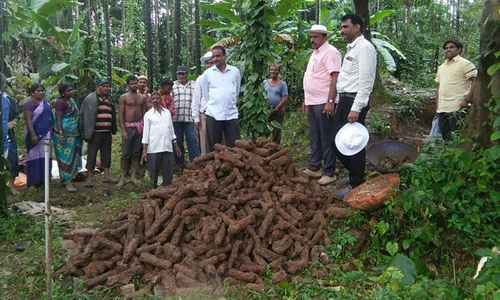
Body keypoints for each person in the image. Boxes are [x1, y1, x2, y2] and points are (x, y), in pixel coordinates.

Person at [333, 13, 377, 198]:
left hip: (354, 101)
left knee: (355, 143)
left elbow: (366, 81)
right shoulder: (352, 48)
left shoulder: (365, 48)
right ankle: (355, 175)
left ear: (357, 27)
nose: (342, 30)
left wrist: (356, 108)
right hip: (344, 100)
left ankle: (356, 183)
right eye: (342, 27)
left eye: (345, 27)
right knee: (337, 141)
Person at [302, 24, 341, 186]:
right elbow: (313, 77)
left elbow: (335, 78)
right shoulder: (315, 53)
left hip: (324, 102)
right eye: (311, 37)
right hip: (313, 102)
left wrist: (330, 101)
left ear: (324, 37)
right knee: (315, 136)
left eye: (316, 36)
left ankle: (329, 171)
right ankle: (314, 166)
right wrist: (306, 99)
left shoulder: (331, 52)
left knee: (326, 137)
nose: (312, 40)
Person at [201, 45, 241, 152]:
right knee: (213, 148)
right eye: (213, 57)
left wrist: (228, 101)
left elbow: (236, 91)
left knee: (234, 146)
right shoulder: (207, 74)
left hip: (231, 114)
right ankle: (213, 168)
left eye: (218, 56)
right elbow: (206, 94)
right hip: (213, 114)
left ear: (224, 56)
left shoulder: (235, 72)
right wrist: (215, 104)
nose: (215, 59)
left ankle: (233, 167)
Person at [435, 39, 477, 141]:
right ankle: (447, 156)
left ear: (459, 50)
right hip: (443, 108)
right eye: (446, 48)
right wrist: (437, 106)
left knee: (457, 136)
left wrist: (467, 99)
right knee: (446, 137)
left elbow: (475, 81)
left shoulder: (465, 64)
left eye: (451, 47)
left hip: (457, 107)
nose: (448, 50)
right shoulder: (441, 67)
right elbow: (439, 87)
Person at [80, 79, 118, 187]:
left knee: (106, 154)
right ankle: (89, 178)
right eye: (104, 86)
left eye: (107, 86)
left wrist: (113, 128)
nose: (106, 88)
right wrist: (85, 132)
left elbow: (113, 115)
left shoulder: (109, 99)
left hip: (106, 132)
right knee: (92, 155)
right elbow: (84, 116)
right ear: (98, 87)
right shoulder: (90, 99)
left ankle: (106, 177)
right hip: (95, 132)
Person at [141, 92, 181, 188]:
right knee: (153, 174)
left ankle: (167, 191)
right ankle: (153, 192)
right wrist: (144, 150)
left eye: (157, 98)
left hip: (167, 147)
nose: (155, 100)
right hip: (153, 148)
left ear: (160, 99)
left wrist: (175, 145)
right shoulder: (148, 115)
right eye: (153, 98)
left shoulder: (167, 113)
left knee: (168, 173)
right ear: (150, 101)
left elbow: (171, 129)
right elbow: (145, 133)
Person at [117, 75, 147, 187]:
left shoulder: (142, 98)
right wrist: (123, 130)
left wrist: (144, 129)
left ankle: (133, 176)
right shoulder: (124, 97)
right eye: (132, 83)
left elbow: (144, 114)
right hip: (128, 127)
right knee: (125, 153)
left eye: (136, 83)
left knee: (136, 153)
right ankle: (123, 176)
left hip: (139, 127)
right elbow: (121, 114)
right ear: (128, 85)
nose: (135, 85)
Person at [22, 83, 53, 187]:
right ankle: (34, 182)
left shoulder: (46, 104)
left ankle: (45, 180)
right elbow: (28, 120)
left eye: (42, 90)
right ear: (33, 93)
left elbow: (49, 119)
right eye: (38, 91)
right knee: (33, 156)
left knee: (46, 155)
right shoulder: (29, 105)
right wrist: (33, 134)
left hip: (46, 135)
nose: (41, 93)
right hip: (34, 135)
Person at [53, 83, 82, 192]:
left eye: (71, 90)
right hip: (64, 134)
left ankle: (68, 178)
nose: (71, 92)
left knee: (73, 156)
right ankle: (67, 181)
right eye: (68, 91)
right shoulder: (60, 103)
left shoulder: (72, 101)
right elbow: (59, 119)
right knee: (65, 158)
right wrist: (61, 134)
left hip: (74, 133)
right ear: (62, 93)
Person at [172, 66, 200, 167]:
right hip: (176, 118)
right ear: (177, 75)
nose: (181, 76)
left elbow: (198, 99)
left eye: (183, 73)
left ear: (186, 74)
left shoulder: (194, 85)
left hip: (190, 118)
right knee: (178, 141)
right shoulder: (173, 86)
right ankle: (179, 163)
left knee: (192, 140)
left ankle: (195, 162)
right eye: (179, 74)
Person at [1, 74, 20, 194]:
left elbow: (16, 115)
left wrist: (11, 123)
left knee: (12, 158)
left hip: (8, 135)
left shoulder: (9, 100)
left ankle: (11, 185)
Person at [192, 51, 213, 155]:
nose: (209, 65)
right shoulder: (201, 79)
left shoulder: (221, 77)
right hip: (204, 114)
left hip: (218, 114)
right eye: (207, 63)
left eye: (211, 63)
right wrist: (196, 117)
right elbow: (196, 99)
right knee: (204, 141)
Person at [264, 63, 288, 144]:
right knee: (265, 130)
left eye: (275, 70)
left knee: (276, 131)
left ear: (278, 71)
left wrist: (276, 109)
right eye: (271, 69)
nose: (273, 71)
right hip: (265, 111)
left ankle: (275, 148)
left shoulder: (282, 84)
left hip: (278, 111)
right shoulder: (265, 82)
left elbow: (284, 98)